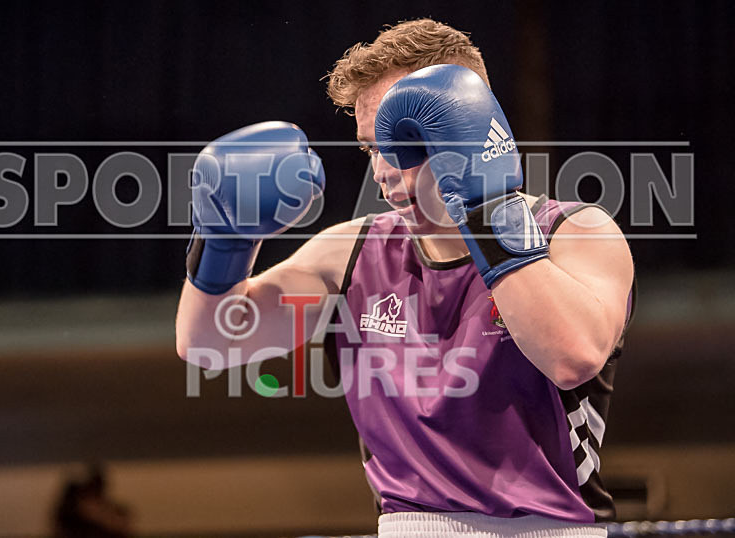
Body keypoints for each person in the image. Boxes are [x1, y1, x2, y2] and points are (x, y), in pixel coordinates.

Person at [176, 18, 634, 538]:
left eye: (404, 142)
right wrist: (224, 243)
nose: (383, 170)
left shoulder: (575, 233)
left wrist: (485, 205)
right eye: (372, 147)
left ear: (469, 125)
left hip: (552, 528)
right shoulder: (352, 252)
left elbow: (571, 356)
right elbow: (208, 341)